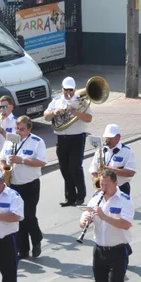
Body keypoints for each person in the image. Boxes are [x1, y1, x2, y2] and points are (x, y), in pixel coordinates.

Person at [80, 169, 135, 282]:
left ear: (115, 183)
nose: (102, 187)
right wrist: (83, 221)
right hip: (99, 250)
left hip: (118, 250)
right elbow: (84, 215)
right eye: (101, 184)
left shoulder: (124, 200)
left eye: (106, 185)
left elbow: (126, 224)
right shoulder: (96, 198)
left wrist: (104, 217)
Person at [0, 115, 47, 260]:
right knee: (17, 218)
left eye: (22, 129)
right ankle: (23, 249)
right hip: (13, 184)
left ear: (29, 129)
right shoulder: (10, 140)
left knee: (28, 216)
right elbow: (1, 159)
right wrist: (3, 169)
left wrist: (22, 161)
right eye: (17, 128)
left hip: (30, 185)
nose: (19, 132)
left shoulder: (37, 142)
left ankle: (36, 239)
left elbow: (41, 162)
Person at [45, 76, 92, 207]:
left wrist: (76, 112)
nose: (68, 93)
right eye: (66, 90)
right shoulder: (57, 101)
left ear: (74, 89)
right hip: (61, 138)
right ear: (62, 89)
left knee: (75, 167)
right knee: (64, 168)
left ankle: (81, 195)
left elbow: (89, 118)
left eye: (71, 90)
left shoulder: (81, 101)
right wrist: (54, 112)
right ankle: (70, 197)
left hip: (77, 137)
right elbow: (46, 116)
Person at [89, 123, 136, 195]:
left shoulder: (127, 151)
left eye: (111, 138)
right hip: (103, 189)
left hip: (120, 189)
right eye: (107, 137)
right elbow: (93, 170)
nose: (108, 140)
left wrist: (111, 170)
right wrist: (98, 182)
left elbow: (131, 173)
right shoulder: (100, 150)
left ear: (118, 137)